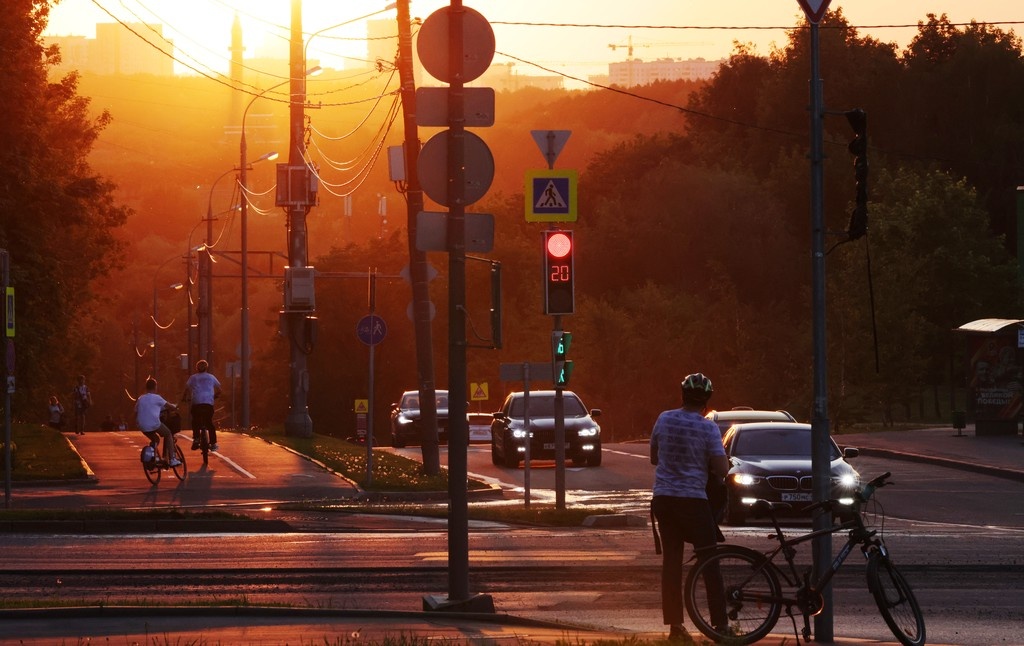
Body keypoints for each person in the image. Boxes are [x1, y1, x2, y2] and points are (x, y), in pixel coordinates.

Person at [650, 372, 730, 643]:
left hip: (664, 498)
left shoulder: (664, 418)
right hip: (693, 500)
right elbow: (721, 468)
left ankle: (675, 627)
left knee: (671, 563)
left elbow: (653, 456)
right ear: (706, 400)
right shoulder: (708, 428)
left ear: (682, 395)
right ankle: (720, 625)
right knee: (709, 561)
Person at [135, 377, 180, 466]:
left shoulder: (141, 398)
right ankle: (172, 459)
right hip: (153, 424)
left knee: (155, 439)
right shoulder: (157, 398)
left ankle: (152, 457)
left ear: (146, 387)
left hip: (142, 426)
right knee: (168, 434)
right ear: (155, 387)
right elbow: (169, 406)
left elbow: (136, 411)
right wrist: (175, 407)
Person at [181, 359, 222, 451]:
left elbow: (187, 389)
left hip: (197, 403)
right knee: (209, 423)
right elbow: (219, 390)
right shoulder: (211, 377)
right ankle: (213, 443)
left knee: (195, 421)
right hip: (208, 403)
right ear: (206, 368)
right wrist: (214, 396)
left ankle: (196, 439)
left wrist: (184, 398)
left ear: (197, 368)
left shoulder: (193, 378)